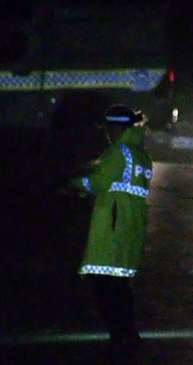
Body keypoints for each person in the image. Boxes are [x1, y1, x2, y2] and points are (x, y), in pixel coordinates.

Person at [64, 104, 153, 356]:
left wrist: (74, 183)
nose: (105, 134)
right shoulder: (142, 153)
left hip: (113, 224)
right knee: (120, 284)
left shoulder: (118, 151)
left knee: (105, 285)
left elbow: (99, 182)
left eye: (107, 128)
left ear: (115, 127)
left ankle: (120, 335)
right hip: (130, 223)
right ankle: (129, 334)